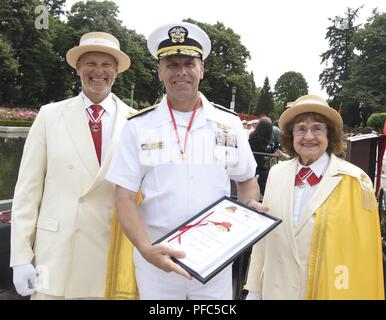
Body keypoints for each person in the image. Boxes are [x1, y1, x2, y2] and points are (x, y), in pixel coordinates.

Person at [106, 21, 265, 300]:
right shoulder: (137, 127)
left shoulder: (228, 123)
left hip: (216, 261)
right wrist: (145, 249)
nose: (181, 72)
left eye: (189, 63)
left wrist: (247, 214)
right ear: (159, 71)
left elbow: (247, 182)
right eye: (171, 64)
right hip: (157, 259)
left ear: (201, 69)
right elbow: (124, 198)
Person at [10, 31, 138, 299]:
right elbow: (27, 192)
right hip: (54, 257)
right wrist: (20, 257)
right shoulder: (49, 115)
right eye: (91, 63)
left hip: (110, 258)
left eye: (107, 65)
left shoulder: (136, 122)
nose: (98, 71)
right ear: (78, 67)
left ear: (117, 70)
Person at [246, 95, 384, 299]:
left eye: (317, 128)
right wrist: (255, 290)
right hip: (275, 291)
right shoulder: (277, 174)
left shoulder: (356, 181)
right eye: (301, 129)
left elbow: (364, 256)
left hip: (326, 292)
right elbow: (264, 242)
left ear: (330, 134)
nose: (308, 136)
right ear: (291, 135)